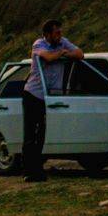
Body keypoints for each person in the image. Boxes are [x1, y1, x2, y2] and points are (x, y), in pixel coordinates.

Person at [21, 18, 83, 182]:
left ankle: (37, 168)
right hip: (34, 94)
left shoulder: (62, 42)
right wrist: (60, 54)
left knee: (41, 132)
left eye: (60, 32)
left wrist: (65, 53)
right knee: (30, 134)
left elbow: (80, 54)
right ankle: (29, 170)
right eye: (57, 32)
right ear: (48, 34)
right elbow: (47, 57)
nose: (60, 35)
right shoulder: (39, 44)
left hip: (49, 96)